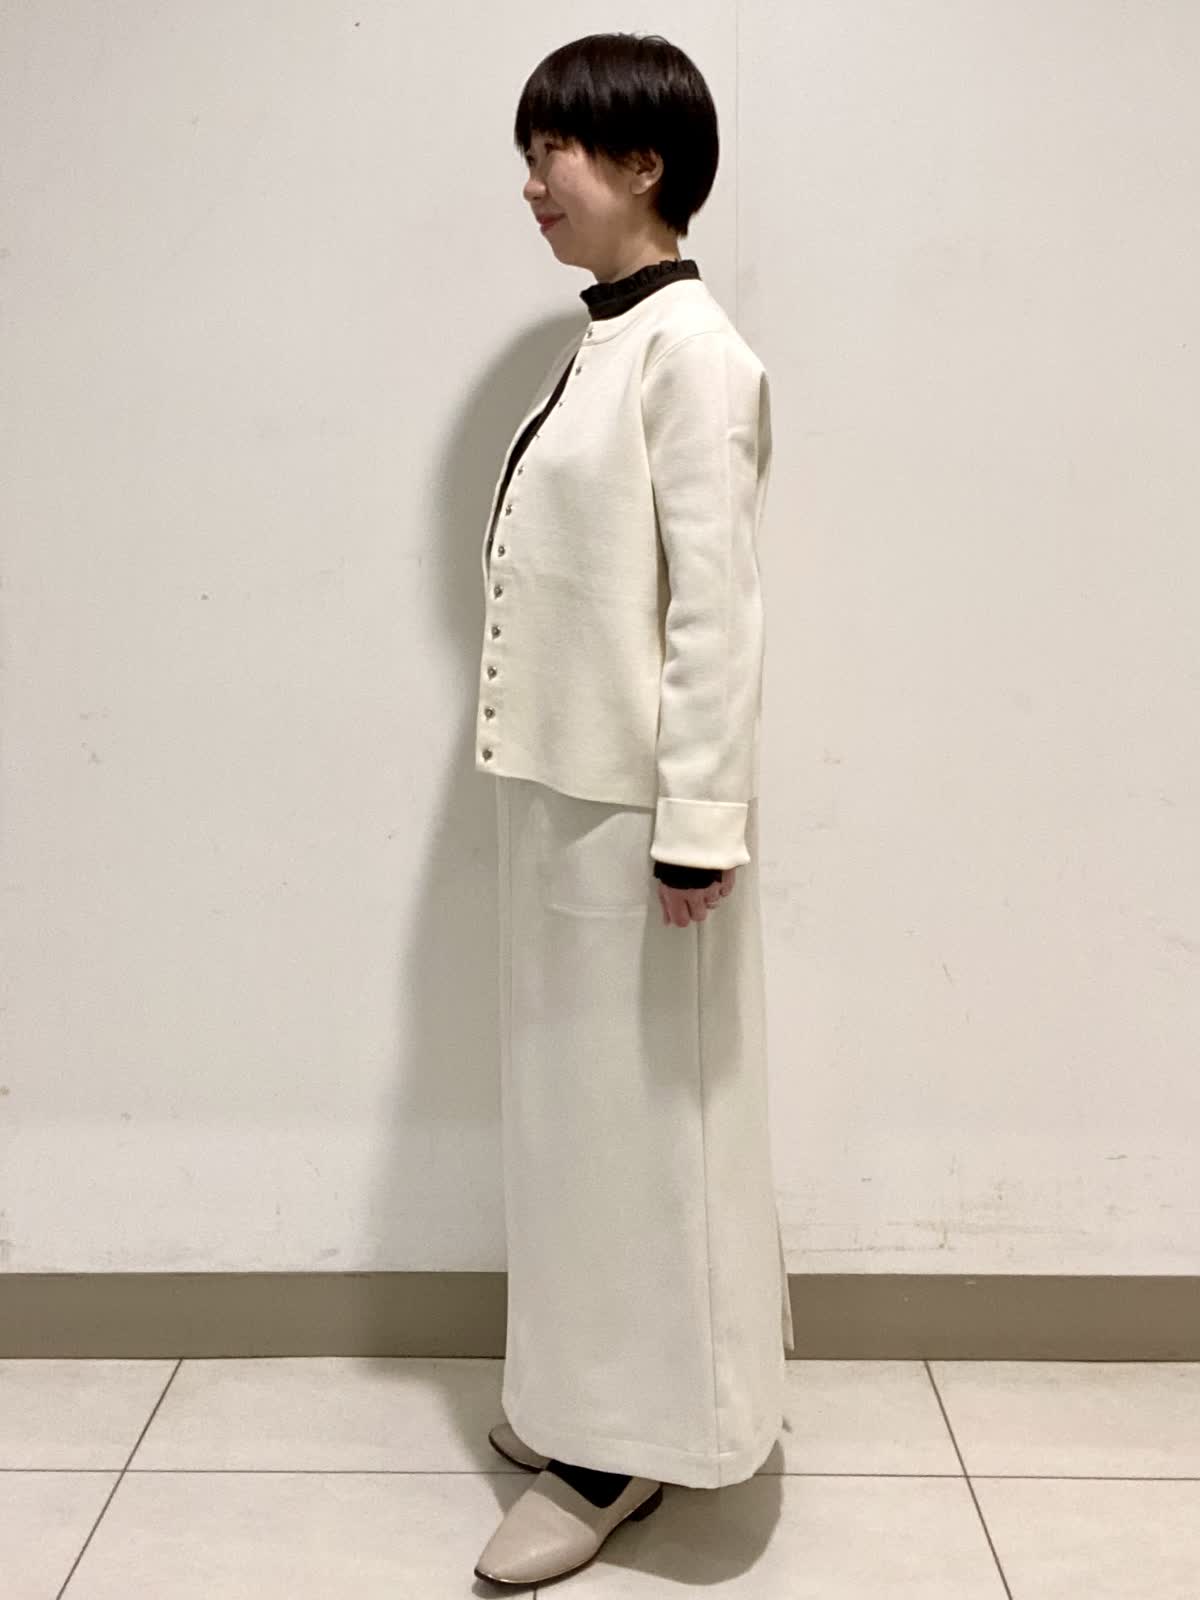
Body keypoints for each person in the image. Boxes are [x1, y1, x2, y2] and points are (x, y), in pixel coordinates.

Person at [472, 31, 794, 1587]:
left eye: (556, 151)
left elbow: (717, 611)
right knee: (575, 1128)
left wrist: (699, 827)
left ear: (644, 162)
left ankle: (630, 1445)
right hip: (564, 803)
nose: (532, 182)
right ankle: (579, 1398)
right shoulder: (605, 339)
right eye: (528, 154)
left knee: (644, 1135)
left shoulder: (694, 355)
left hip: (641, 823)